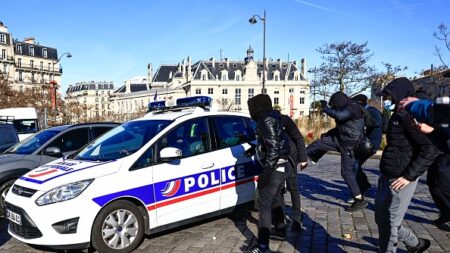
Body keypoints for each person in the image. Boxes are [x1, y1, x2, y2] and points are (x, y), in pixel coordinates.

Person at [375, 77, 439, 253]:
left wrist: (409, 176)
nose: (386, 100)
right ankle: (415, 244)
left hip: (401, 177)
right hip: (387, 174)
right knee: (381, 218)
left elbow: (431, 148)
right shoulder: (398, 113)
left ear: (399, 95)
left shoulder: (409, 115)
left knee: (389, 223)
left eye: (388, 97)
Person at [306, 91, 367, 212]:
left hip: (349, 144)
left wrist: (325, 109)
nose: (334, 108)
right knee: (318, 144)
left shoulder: (352, 107)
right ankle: (300, 155)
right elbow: (342, 124)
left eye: (335, 105)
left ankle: (359, 200)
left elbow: (340, 116)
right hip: (341, 139)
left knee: (346, 172)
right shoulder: (350, 106)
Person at [246, 94, 292, 253]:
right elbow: (273, 141)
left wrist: (266, 172)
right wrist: (256, 148)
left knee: (264, 204)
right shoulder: (273, 117)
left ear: (257, 108)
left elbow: (273, 149)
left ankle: (263, 245)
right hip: (282, 165)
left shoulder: (265, 120)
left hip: (275, 167)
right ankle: (280, 228)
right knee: (276, 197)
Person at [399, 96, 450, 228]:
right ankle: (446, 212)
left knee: (441, 185)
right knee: (434, 183)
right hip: (442, 152)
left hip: (443, 157)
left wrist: (414, 105)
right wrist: (432, 132)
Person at [280, 113, 308, 231]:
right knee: (278, 189)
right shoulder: (262, 122)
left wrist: (303, 158)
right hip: (276, 159)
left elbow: (299, 138)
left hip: (291, 157)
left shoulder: (284, 120)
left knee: (293, 187)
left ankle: (297, 218)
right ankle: (280, 219)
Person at [351, 94, 383, 197]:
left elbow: (374, 124)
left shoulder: (372, 112)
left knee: (354, 165)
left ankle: (361, 190)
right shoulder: (367, 111)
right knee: (355, 164)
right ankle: (364, 185)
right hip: (366, 144)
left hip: (370, 145)